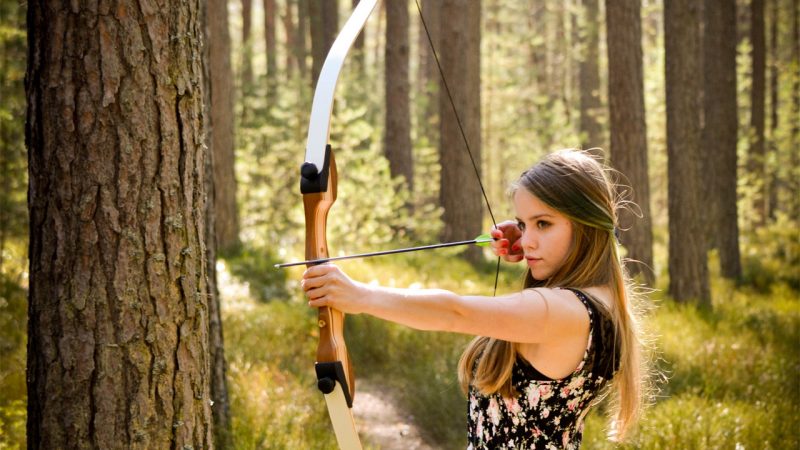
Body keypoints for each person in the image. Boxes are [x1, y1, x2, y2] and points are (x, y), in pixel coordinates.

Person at [301, 149, 650, 448]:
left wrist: (359, 295)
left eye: (543, 223)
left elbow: (455, 312)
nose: (526, 239)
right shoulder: (601, 300)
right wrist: (535, 246)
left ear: (587, 225)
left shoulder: (562, 311)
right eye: (523, 224)